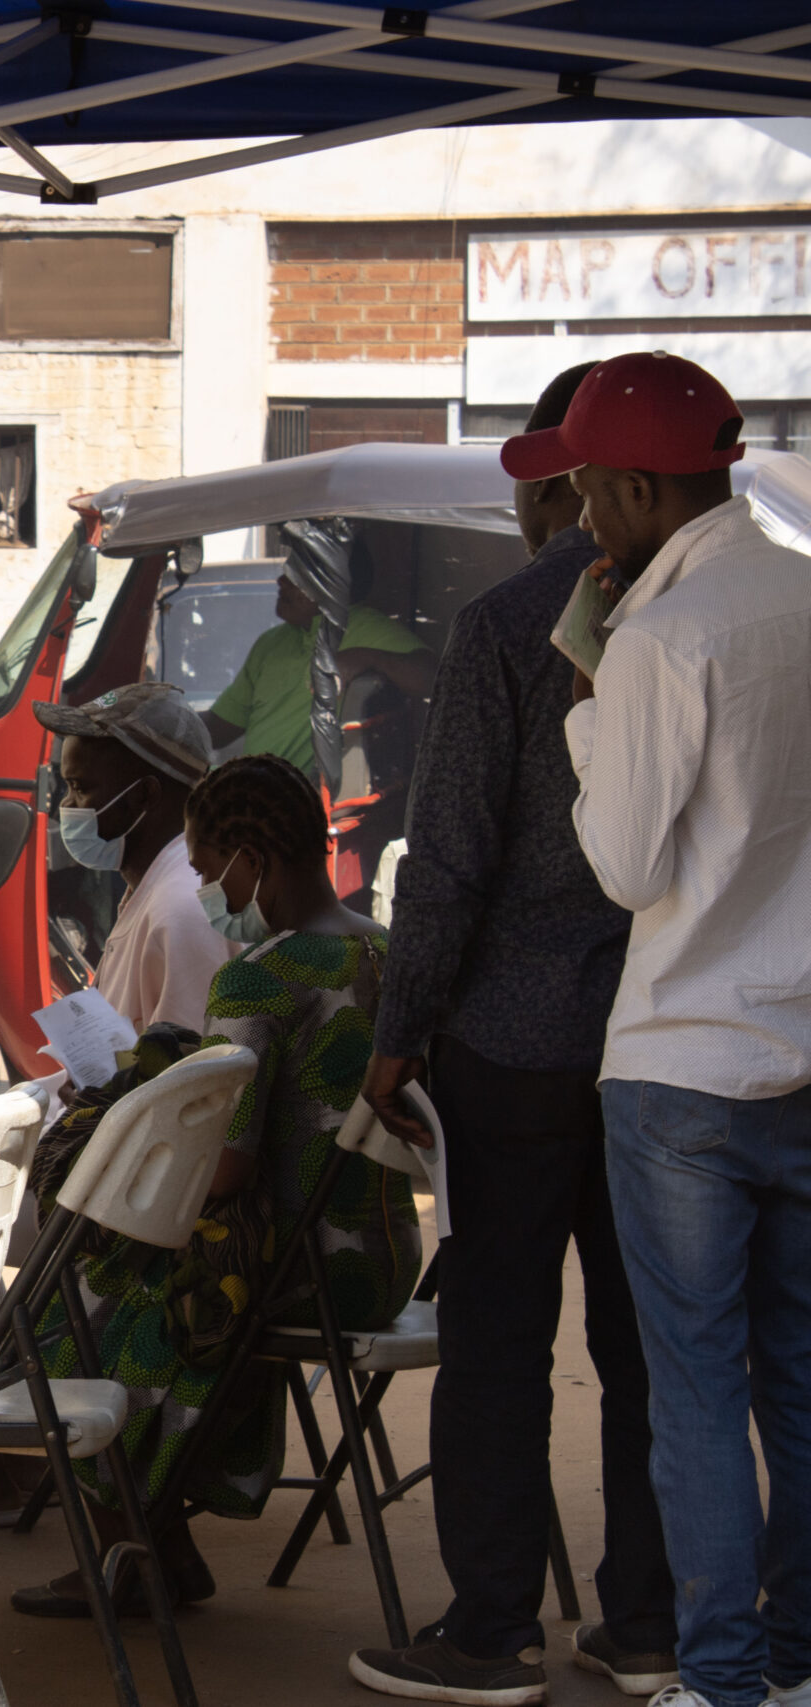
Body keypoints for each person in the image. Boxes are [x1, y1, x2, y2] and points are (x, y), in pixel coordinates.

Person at [347, 363, 676, 1705]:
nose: (542, 512)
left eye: (546, 487)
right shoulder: (723, 613)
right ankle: (647, 1619)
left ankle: (489, 1627)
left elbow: (448, 862)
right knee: (654, 1345)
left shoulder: (508, 623)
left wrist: (399, 1027)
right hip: (665, 1043)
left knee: (496, 1336)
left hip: (517, 1042)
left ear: (575, 486)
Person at [522, 352, 811, 1707]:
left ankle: (724, 1677)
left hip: (682, 1065)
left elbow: (627, 867)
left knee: (693, 1383)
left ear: (639, 485)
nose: (582, 517)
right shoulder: (807, 593)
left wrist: (590, 721)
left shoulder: (654, 639)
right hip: (805, 1048)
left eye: (587, 487)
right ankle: (803, 1658)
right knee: (802, 1377)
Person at [10, 755, 421, 1620]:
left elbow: (227, 1169)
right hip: (384, 1257)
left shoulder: (260, 976)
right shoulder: (386, 952)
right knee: (150, 1277)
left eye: (205, 871)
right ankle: (160, 1538)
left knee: (72, 1299)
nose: (205, 891)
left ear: (248, 859)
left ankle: (132, 1541)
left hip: (297, 1267)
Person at [36, 682, 238, 1033]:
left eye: (80, 788)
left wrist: (100, 1088)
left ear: (144, 795)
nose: (65, 806)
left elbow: (191, 1076)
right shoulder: (156, 886)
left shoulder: (181, 909)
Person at [203, 563, 431, 779]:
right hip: (255, 795)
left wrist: (370, 657)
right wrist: (173, 722)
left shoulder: (365, 627)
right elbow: (220, 728)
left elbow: (432, 677)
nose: (281, 580)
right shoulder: (271, 643)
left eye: (295, 575)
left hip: (304, 805)